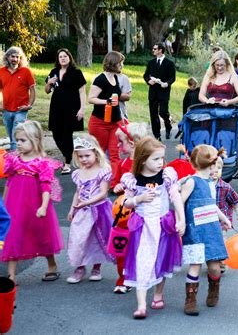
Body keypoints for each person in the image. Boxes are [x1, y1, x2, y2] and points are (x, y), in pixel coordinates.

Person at [120, 137, 185, 319]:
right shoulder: (133, 180)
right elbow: (126, 203)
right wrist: (137, 200)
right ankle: (141, 304)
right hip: (143, 228)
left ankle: (158, 294)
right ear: (142, 160)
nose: (160, 163)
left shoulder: (166, 176)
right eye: (155, 159)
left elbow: (175, 197)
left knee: (162, 259)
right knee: (142, 262)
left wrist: (182, 219)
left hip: (163, 225)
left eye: (162, 158)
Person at [0, 121, 63, 283]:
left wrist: (43, 206)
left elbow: (46, 187)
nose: (18, 144)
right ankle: (11, 275)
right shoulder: (13, 160)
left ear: (35, 140)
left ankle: (52, 265)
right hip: (15, 204)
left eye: (23, 140)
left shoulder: (42, 163)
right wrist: (4, 205)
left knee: (42, 234)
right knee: (12, 235)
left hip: (36, 204)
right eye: (17, 140)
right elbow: (8, 182)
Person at [180, 144, 232, 316]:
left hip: (211, 230)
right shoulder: (191, 182)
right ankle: (190, 299)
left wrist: (223, 218)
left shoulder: (210, 183)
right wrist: (180, 221)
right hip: (195, 231)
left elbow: (211, 204)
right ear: (210, 166)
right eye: (215, 166)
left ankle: (214, 287)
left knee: (215, 267)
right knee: (194, 265)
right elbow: (179, 202)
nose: (216, 170)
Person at [66, 135, 115, 284]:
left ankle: (96, 267)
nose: (84, 159)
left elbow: (103, 193)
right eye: (80, 157)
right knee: (78, 238)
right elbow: (78, 192)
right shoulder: (79, 173)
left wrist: (87, 202)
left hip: (99, 210)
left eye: (87, 155)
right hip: (82, 211)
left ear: (96, 153)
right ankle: (79, 267)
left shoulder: (102, 171)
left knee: (97, 239)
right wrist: (72, 209)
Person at [112, 122, 148, 295]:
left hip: (144, 212)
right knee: (123, 247)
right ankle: (123, 278)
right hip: (125, 214)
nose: (118, 145)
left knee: (142, 246)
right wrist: (118, 186)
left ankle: (142, 275)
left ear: (132, 143)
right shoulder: (122, 163)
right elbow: (116, 183)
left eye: (121, 142)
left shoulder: (149, 163)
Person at [45, 48, 86, 174]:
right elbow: (47, 90)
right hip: (56, 107)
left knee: (67, 134)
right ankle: (69, 153)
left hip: (71, 107)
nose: (63, 58)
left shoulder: (76, 72)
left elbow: (82, 91)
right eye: (60, 56)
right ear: (58, 59)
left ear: (69, 58)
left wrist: (82, 109)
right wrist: (49, 83)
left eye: (65, 56)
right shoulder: (54, 72)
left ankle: (67, 163)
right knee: (56, 134)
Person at [88, 51, 124, 183]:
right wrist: (106, 102)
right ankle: (94, 182)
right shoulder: (100, 79)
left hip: (115, 122)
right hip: (99, 123)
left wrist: (122, 120)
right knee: (100, 153)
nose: (122, 65)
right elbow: (91, 99)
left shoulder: (116, 78)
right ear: (114, 63)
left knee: (115, 154)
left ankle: (115, 183)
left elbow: (118, 100)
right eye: (121, 63)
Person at [211, 157, 238, 273]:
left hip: (221, 222)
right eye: (212, 168)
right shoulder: (203, 186)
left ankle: (221, 263)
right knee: (210, 243)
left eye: (219, 168)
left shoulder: (225, 187)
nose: (216, 171)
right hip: (206, 221)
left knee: (221, 241)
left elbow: (235, 201)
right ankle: (212, 262)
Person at [0, 46, 36, 150]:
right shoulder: (1, 71)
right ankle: (19, 155)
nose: (15, 59)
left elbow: (33, 90)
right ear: (7, 57)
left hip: (21, 109)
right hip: (6, 109)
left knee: (16, 134)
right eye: (13, 56)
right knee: (11, 135)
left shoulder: (26, 71)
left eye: (18, 57)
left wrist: (29, 105)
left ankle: (14, 158)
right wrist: (0, 104)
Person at [143, 43, 176, 140]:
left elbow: (172, 77)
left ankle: (168, 124)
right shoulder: (151, 63)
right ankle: (157, 135)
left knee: (163, 112)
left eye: (155, 49)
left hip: (164, 92)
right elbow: (146, 75)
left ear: (160, 50)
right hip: (153, 92)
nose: (153, 50)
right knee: (153, 114)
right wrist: (149, 81)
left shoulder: (169, 63)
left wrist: (167, 83)